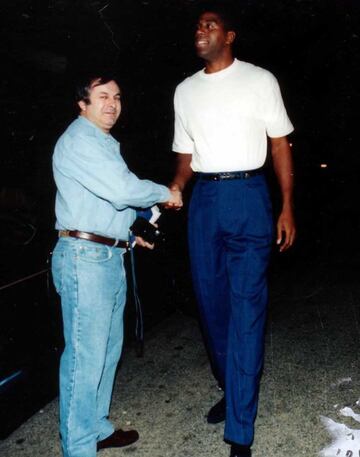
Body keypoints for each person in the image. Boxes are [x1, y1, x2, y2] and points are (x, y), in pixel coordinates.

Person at [170, 4, 295, 457]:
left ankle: (241, 428)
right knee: (212, 306)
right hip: (204, 200)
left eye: (211, 24)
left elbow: (280, 144)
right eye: (197, 25)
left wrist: (286, 207)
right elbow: (185, 154)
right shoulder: (185, 91)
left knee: (246, 308)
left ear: (230, 35)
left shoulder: (260, 80)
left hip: (248, 196)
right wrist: (178, 186)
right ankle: (233, 388)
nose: (200, 30)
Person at [51, 73, 182, 457]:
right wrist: (166, 193)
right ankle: (78, 448)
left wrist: (131, 232)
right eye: (102, 96)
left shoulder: (103, 143)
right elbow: (123, 189)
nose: (112, 103)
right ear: (82, 103)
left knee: (108, 350)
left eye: (118, 97)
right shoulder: (79, 140)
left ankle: (96, 429)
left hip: (109, 254)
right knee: (83, 357)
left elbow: (109, 202)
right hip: (83, 259)